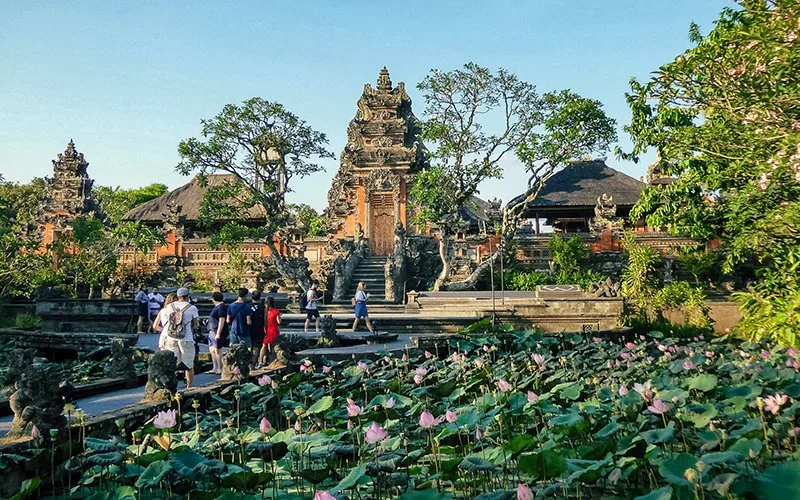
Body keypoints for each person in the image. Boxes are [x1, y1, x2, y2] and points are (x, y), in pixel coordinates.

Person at [157, 287, 199, 388]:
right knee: (189, 365)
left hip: (171, 337)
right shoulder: (192, 308)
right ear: (188, 296)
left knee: (171, 364)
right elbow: (196, 325)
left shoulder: (169, 306)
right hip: (186, 338)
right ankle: (189, 386)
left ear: (178, 296)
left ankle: (169, 386)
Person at [207, 291, 227, 374]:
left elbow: (222, 320)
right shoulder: (217, 307)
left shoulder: (221, 307)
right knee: (212, 349)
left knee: (217, 349)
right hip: (212, 330)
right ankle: (214, 367)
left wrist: (218, 333)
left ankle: (220, 367)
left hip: (217, 331)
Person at [258, 296, 281, 367]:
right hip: (274, 330)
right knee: (273, 346)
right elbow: (279, 322)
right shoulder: (276, 311)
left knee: (264, 346)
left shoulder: (263, 311)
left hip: (265, 330)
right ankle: (272, 361)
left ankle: (261, 361)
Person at [250, 290, 265, 365]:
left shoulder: (248, 306)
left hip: (249, 329)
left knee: (249, 346)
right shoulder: (262, 307)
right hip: (259, 329)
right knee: (256, 347)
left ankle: (249, 362)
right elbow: (265, 319)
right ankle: (253, 363)